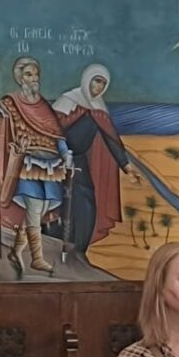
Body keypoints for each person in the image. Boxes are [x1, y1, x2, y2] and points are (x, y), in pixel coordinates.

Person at [0, 56, 73, 276]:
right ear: (20, 78)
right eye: (29, 74)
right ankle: (37, 259)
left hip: (50, 167)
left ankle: (16, 251)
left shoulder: (44, 106)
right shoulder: (9, 104)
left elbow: (56, 135)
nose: (34, 78)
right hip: (25, 165)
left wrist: (66, 153)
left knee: (41, 210)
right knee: (35, 208)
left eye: (36, 74)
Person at [48, 64, 144, 254]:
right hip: (57, 162)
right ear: (87, 80)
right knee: (59, 205)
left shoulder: (99, 108)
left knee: (86, 206)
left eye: (103, 84)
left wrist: (127, 168)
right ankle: (55, 247)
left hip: (79, 162)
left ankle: (78, 250)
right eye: (97, 81)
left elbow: (111, 140)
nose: (99, 87)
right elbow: (49, 130)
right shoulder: (67, 101)